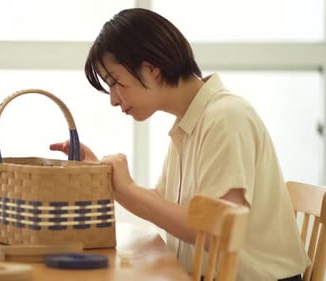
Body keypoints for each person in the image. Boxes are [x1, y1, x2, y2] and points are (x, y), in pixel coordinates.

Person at [49, 8, 309, 281]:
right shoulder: (192, 121)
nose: (113, 99)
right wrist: (107, 179)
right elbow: (165, 205)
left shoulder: (226, 117)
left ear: (151, 68)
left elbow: (216, 231)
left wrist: (127, 188)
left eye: (115, 83)